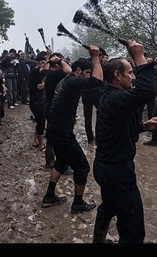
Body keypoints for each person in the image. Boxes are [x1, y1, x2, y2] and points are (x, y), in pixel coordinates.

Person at [92, 40, 157, 243]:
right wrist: (139, 56)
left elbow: (117, 129)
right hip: (116, 173)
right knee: (133, 231)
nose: (133, 76)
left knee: (108, 207)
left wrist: (143, 125)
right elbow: (146, 91)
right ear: (117, 75)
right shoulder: (114, 98)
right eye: (130, 73)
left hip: (106, 168)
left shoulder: (114, 97)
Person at [42, 46, 103, 214]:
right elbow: (97, 81)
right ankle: (78, 204)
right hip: (62, 132)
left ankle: (49, 196)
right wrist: (95, 57)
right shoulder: (74, 80)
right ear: (79, 71)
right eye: (87, 72)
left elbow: (68, 68)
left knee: (61, 162)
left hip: (55, 129)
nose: (89, 76)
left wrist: (60, 60)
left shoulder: (67, 77)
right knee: (83, 167)